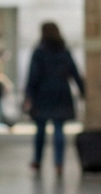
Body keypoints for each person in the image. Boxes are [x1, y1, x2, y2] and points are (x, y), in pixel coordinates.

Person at [23, 22, 85, 172]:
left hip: (42, 94)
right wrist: (82, 90)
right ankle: (59, 162)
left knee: (40, 130)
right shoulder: (64, 51)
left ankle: (37, 160)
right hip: (61, 93)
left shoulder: (39, 52)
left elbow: (33, 76)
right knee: (59, 129)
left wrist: (28, 96)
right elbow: (74, 72)